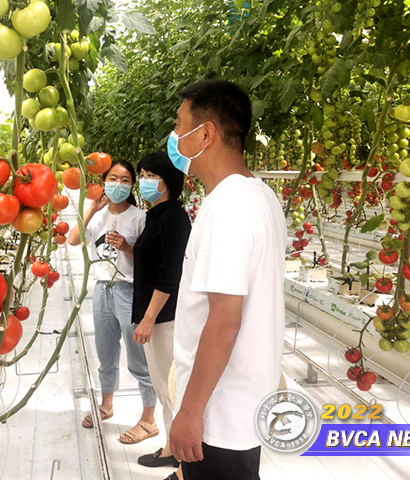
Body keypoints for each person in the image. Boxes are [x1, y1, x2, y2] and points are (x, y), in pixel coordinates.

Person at [167, 80, 287, 480]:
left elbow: (224, 320)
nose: (174, 136)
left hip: (219, 415)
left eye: (179, 124)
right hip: (243, 403)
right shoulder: (259, 196)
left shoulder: (229, 208)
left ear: (205, 134)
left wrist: (190, 412)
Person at [68, 160, 159, 445]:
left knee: (139, 358)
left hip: (128, 291)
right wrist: (92, 208)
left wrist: (127, 247)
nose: (118, 185)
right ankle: (106, 405)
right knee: (105, 353)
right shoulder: (98, 216)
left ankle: (149, 419)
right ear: (104, 182)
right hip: (102, 290)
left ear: (132, 186)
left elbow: (150, 261)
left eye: (125, 180)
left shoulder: (140, 217)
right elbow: (73, 239)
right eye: (112, 179)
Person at [131, 152, 191, 477]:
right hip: (155, 316)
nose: (143, 181)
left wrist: (149, 318)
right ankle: (172, 448)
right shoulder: (155, 215)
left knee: (173, 390)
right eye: (141, 175)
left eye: (150, 175)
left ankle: (184, 465)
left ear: (168, 182)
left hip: (165, 319)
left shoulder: (176, 219)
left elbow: (170, 274)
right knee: (163, 388)